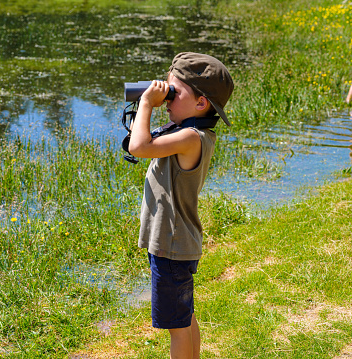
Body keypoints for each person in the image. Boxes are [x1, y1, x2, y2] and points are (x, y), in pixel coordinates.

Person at [128, 52, 234, 359]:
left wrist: (146, 103)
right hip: (177, 242)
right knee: (184, 318)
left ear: (201, 104)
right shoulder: (191, 132)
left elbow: (139, 146)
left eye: (174, 93)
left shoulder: (191, 137)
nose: (167, 98)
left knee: (177, 325)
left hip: (171, 245)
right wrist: (156, 103)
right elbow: (144, 141)